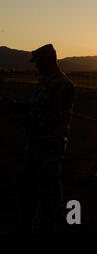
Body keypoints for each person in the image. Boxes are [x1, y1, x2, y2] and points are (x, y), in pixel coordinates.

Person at [17, 44, 75, 234]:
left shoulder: (63, 85)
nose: (37, 66)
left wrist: (30, 118)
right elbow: (38, 106)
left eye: (39, 62)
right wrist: (21, 107)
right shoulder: (44, 81)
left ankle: (50, 227)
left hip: (49, 147)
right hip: (35, 145)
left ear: (50, 60)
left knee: (49, 192)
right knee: (29, 189)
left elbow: (55, 118)